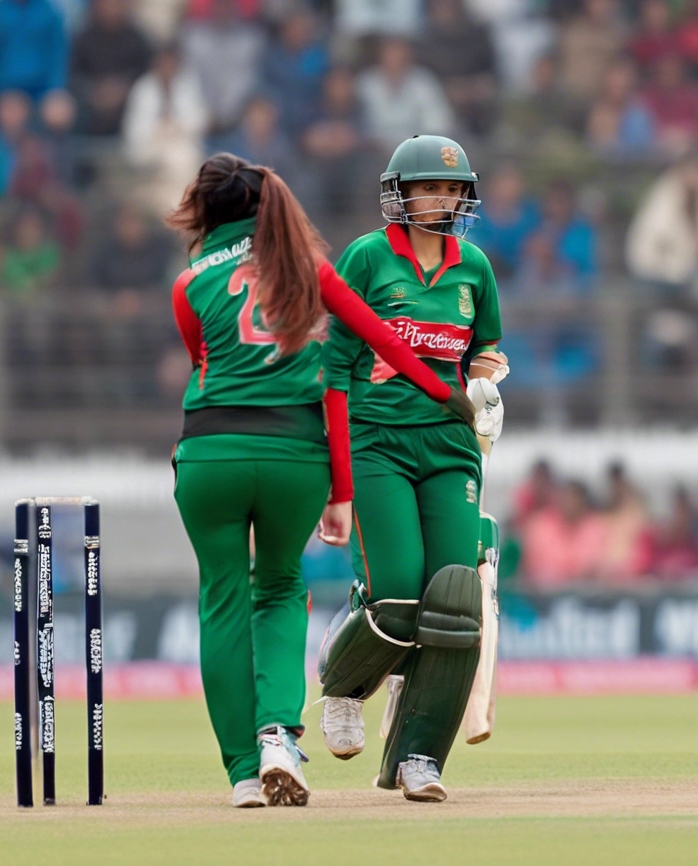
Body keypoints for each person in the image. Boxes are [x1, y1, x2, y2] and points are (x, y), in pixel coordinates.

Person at [167, 152, 475, 809]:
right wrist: (443, 392)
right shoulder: (311, 269)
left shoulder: (189, 280)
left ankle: (244, 774)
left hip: (210, 451)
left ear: (206, 213)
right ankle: (280, 734)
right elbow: (381, 340)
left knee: (223, 600)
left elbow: (201, 360)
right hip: (293, 452)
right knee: (278, 588)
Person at [316, 134, 505, 803]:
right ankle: (342, 684)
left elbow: (484, 351)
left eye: (453, 189)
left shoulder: (474, 266)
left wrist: (485, 390)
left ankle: (419, 756)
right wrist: (332, 467)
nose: (443, 199)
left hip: (449, 446)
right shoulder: (368, 257)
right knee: (397, 595)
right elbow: (334, 366)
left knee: (453, 602)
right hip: (378, 443)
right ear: (400, 194)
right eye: (430, 187)